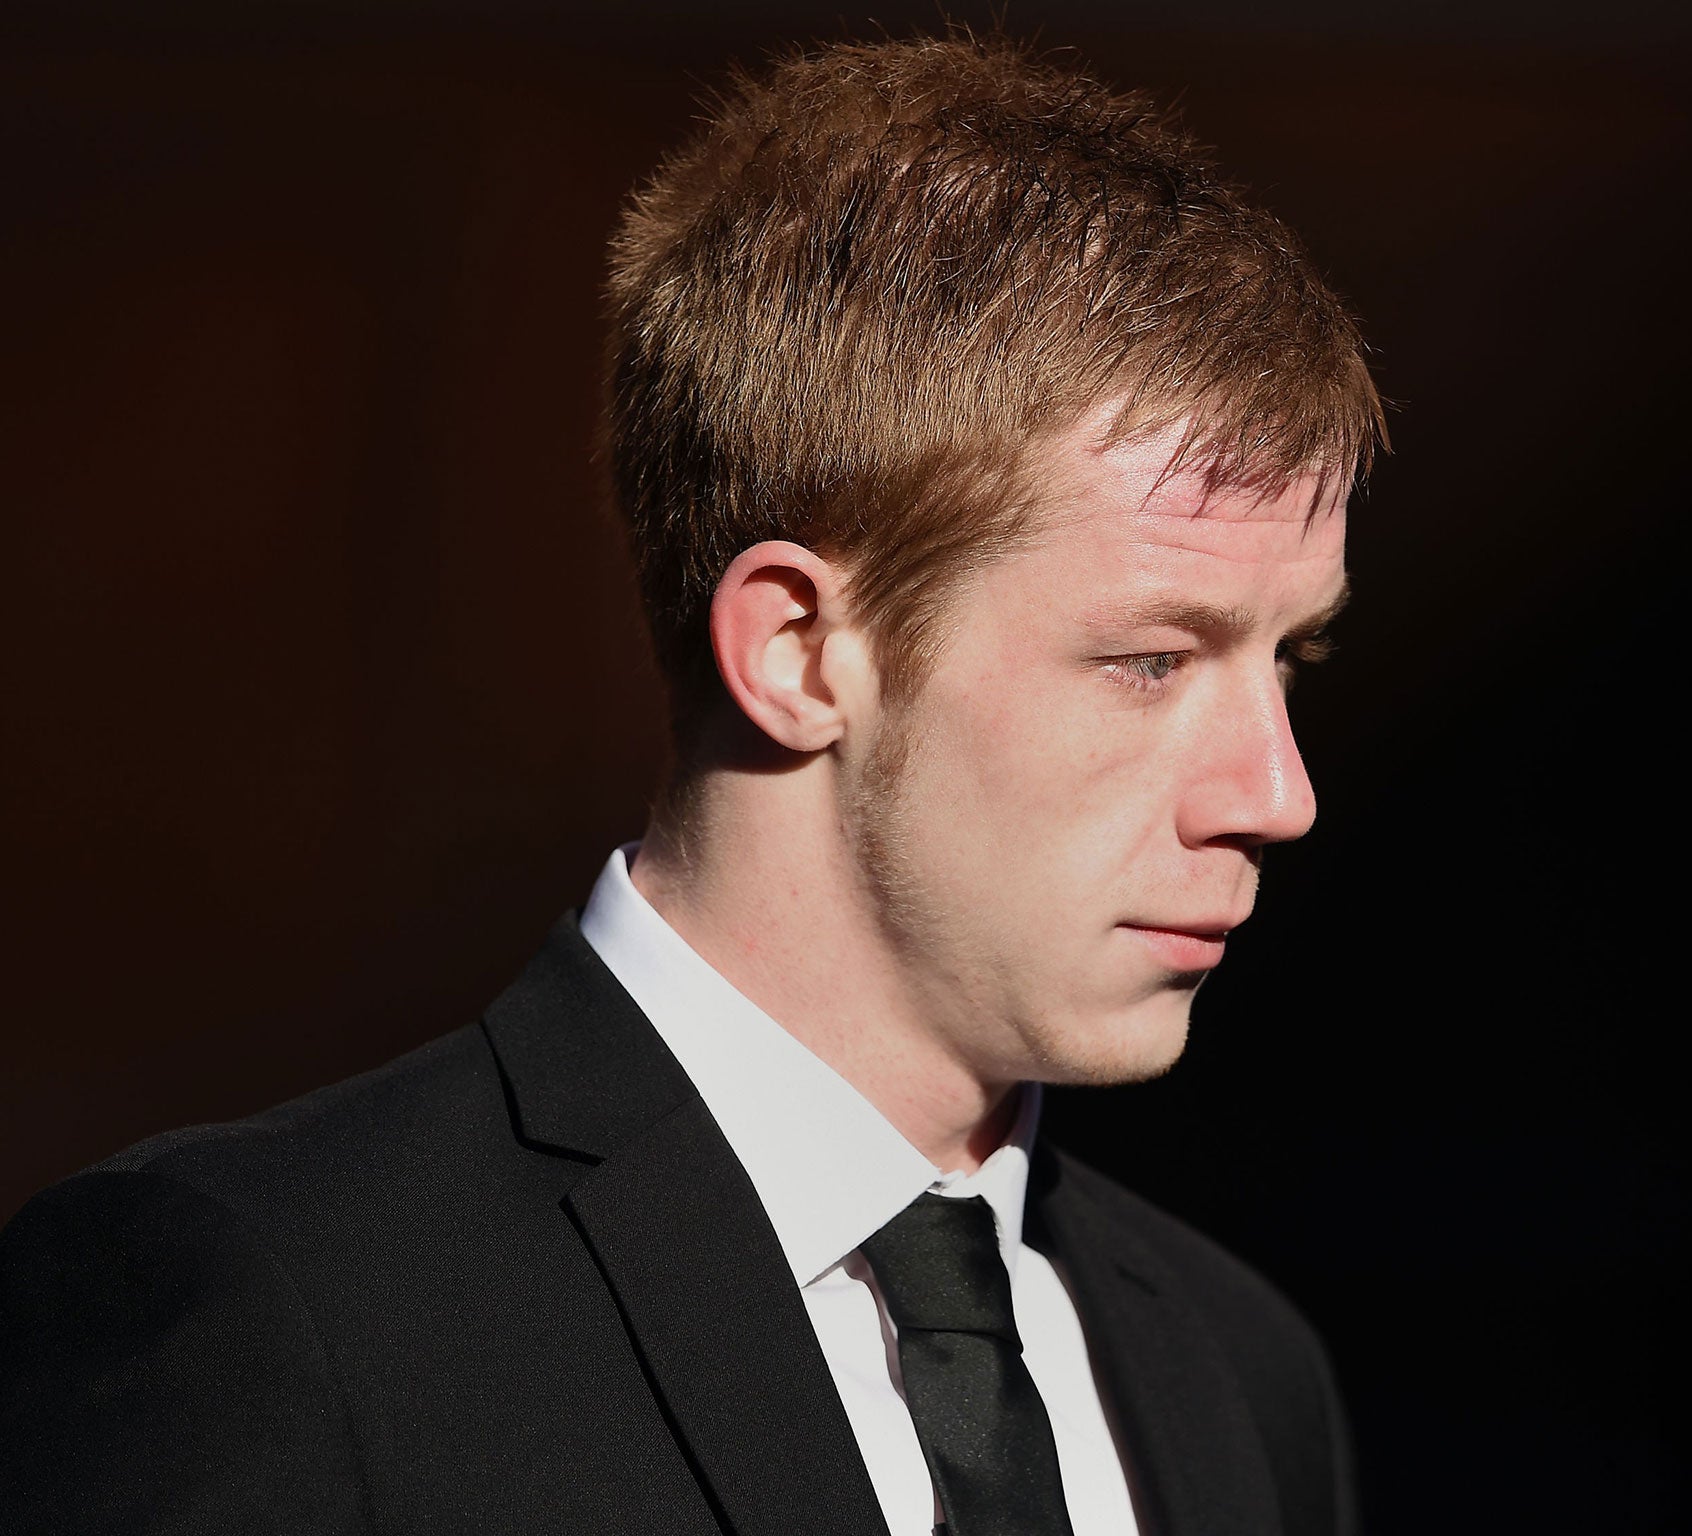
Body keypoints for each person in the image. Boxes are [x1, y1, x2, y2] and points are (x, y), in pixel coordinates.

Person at [0, 31, 1383, 1536]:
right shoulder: (279, 1310)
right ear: (796, 650)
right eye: (1150, 662)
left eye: (1290, 659)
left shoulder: (1232, 1372)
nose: (1278, 792)